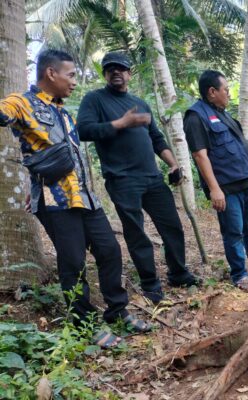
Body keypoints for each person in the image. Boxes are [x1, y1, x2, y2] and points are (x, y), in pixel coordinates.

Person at [0, 50, 150, 347]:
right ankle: (84, 325)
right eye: (70, 75)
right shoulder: (21, 103)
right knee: (73, 262)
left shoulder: (63, 112)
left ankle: (116, 313)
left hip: (84, 197)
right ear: (51, 73)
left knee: (110, 251)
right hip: (54, 200)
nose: (74, 82)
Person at [77, 52, 199, 304]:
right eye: (110, 69)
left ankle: (178, 273)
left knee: (172, 227)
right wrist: (122, 122)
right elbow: (84, 130)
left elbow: (156, 138)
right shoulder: (95, 99)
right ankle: (150, 283)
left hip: (152, 178)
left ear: (130, 73)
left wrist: (174, 163)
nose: (116, 72)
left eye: (121, 68)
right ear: (105, 74)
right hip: (122, 180)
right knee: (136, 233)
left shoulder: (140, 103)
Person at [183, 70, 248, 293]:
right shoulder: (196, 116)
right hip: (226, 188)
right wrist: (215, 189)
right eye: (226, 90)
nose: (229, 94)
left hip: (245, 184)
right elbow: (200, 155)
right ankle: (240, 275)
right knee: (234, 232)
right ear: (212, 92)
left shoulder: (222, 113)